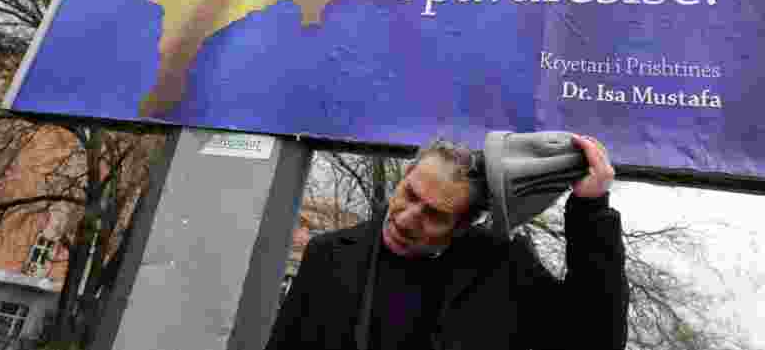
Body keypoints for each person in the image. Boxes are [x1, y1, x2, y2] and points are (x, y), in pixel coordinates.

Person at [265, 134, 629, 350]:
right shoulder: (328, 255)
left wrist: (590, 214)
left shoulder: (502, 269)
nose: (406, 219)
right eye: (410, 194)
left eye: (434, 214)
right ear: (407, 174)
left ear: (466, 223)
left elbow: (594, 339)